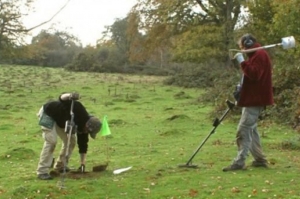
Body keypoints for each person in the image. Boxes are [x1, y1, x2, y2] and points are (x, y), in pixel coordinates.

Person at [223, 34, 273, 172]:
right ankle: (260, 159)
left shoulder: (260, 55)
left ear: (247, 44)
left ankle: (239, 162)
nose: (242, 50)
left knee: (244, 129)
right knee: (251, 129)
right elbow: (251, 77)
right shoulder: (256, 55)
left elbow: (254, 74)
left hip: (255, 100)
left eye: (242, 47)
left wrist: (241, 61)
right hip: (252, 98)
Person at [36, 92, 102, 180]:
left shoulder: (84, 129)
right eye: (88, 131)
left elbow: (83, 146)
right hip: (48, 113)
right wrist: (69, 95)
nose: (87, 132)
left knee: (71, 141)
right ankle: (42, 171)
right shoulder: (78, 109)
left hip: (61, 121)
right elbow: (61, 98)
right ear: (87, 126)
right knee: (51, 141)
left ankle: (60, 165)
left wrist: (82, 164)